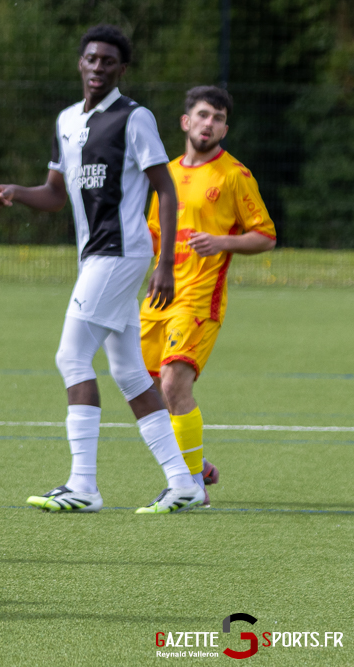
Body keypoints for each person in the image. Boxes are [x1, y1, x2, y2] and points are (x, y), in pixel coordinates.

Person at [0, 25, 206, 514]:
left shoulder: (135, 117)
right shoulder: (66, 120)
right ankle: (184, 482)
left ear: (121, 69)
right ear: (80, 63)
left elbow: (165, 190)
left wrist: (165, 263)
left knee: (71, 356)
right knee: (129, 371)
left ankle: (83, 485)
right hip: (96, 256)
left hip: (121, 252)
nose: (98, 66)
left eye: (108, 60)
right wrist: (14, 193)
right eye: (91, 58)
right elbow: (54, 193)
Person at [140, 86, 276, 505]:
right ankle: (195, 466)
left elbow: (266, 237)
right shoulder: (166, 174)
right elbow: (151, 235)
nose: (208, 123)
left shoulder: (235, 175)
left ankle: (191, 488)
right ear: (186, 122)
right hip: (158, 297)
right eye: (202, 115)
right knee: (146, 391)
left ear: (225, 128)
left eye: (217, 118)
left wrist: (222, 242)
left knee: (174, 382)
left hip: (200, 299)